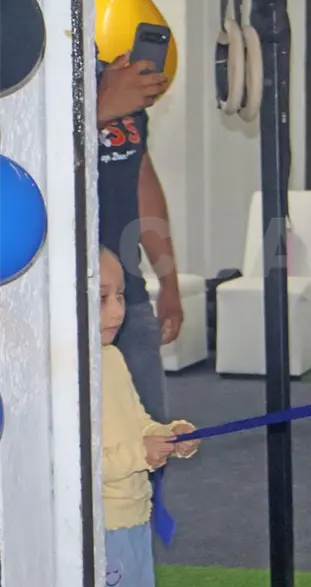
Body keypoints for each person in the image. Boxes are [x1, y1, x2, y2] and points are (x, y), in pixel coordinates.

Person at [100, 246, 199, 587]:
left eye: (121, 296)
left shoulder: (112, 359)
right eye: (102, 298)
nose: (116, 311)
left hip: (136, 516)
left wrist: (170, 434)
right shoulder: (67, 379)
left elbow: (137, 421)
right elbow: (78, 466)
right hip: (104, 524)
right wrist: (140, 453)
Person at [96, 52, 182, 424]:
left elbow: (141, 181)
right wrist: (100, 109)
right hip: (62, 303)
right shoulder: (35, 79)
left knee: (151, 436)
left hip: (127, 295)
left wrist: (169, 282)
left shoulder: (118, 80)